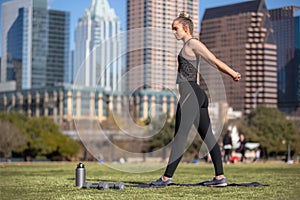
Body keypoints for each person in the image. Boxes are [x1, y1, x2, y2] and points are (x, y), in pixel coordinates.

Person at [150, 12, 241, 187]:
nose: (173, 32)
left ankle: (166, 178)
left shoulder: (193, 43)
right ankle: (220, 177)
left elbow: (213, 60)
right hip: (196, 93)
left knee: (180, 137)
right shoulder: (187, 46)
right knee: (208, 137)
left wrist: (232, 73)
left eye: (175, 28)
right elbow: (195, 74)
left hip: (190, 94)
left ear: (185, 28)